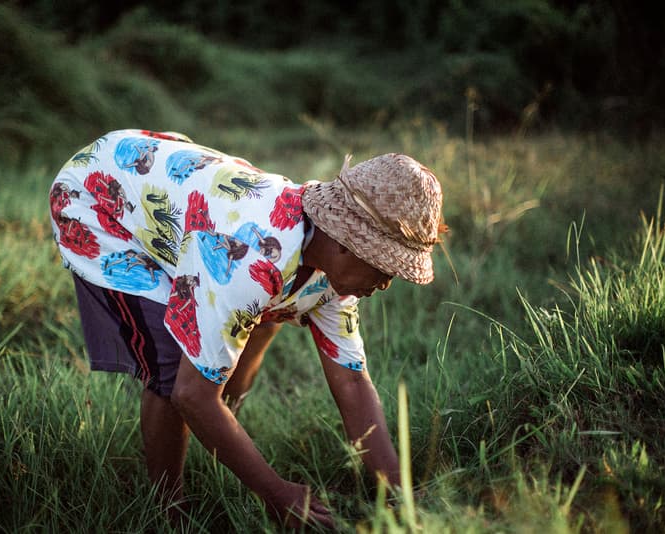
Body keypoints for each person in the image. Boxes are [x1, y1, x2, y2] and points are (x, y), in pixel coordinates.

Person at [48, 129, 444, 528]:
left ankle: (222, 424)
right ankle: (168, 510)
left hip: (166, 185)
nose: (386, 283)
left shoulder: (331, 274)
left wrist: (397, 492)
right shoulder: (249, 260)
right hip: (101, 202)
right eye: (383, 266)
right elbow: (189, 393)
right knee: (173, 370)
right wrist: (276, 492)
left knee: (265, 317)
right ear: (347, 243)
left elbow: (352, 382)